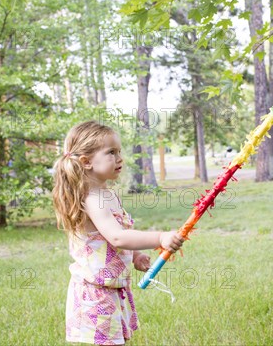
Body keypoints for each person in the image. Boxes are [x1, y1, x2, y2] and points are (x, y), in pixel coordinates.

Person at [52, 121, 185, 345]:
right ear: (86, 162)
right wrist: (160, 238)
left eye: (119, 151)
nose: (120, 158)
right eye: (111, 152)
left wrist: (134, 256)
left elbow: (117, 235)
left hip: (111, 289)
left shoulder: (107, 195)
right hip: (96, 294)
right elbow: (117, 237)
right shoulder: (92, 200)